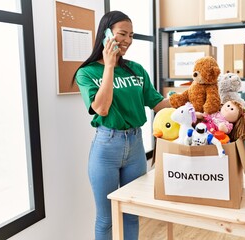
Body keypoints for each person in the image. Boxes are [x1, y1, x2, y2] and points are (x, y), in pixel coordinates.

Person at [73, 10, 170, 240]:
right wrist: (109, 66)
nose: (127, 40)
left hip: (136, 146)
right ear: (106, 34)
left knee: (131, 213)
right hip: (106, 148)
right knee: (106, 218)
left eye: (131, 35)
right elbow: (102, 108)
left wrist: (188, 101)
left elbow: (159, 104)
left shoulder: (136, 70)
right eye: (122, 34)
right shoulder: (86, 73)